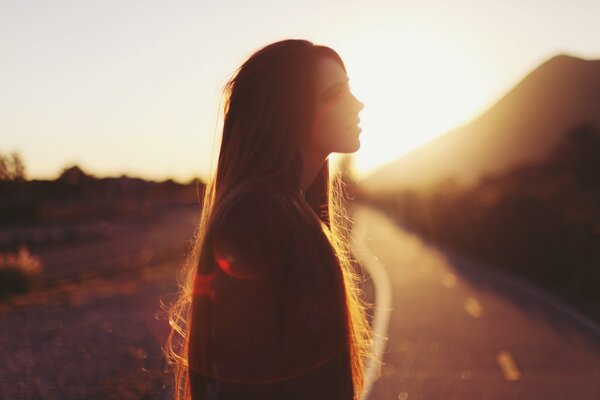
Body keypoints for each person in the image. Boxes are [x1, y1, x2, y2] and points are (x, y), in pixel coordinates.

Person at [163, 38, 378, 400]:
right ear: (289, 112)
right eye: (335, 93)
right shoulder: (259, 215)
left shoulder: (289, 211)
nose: (358, 104)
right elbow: (240, 383)